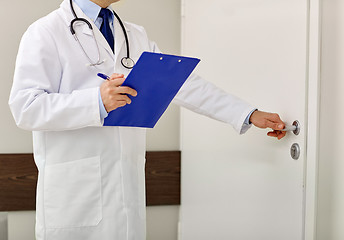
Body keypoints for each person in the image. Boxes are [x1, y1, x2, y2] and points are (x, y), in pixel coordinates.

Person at [8, 0, 286, 239]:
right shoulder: (46, 32)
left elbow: (181, 85)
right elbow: (25, 107)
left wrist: (246, 113)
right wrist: (96, 101)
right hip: (74, 197)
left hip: (125, 193)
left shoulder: (134, 35)